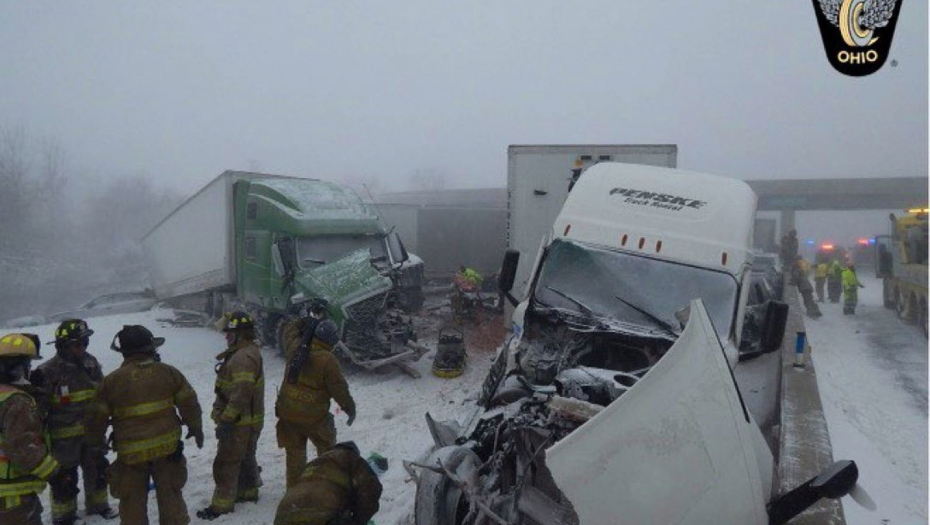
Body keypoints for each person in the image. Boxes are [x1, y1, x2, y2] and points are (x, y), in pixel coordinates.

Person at [86, 325, 204, 525]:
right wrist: (195, 428)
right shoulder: (169, 373)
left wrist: (95, 443)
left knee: (131, 501)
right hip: (167, 451)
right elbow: (189, 403)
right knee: (171, 496)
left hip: (131, 455)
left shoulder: (112, 381)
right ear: (150, 348)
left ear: (123, 352)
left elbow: (96, 418)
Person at [30, 319, 117, 525]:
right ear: (63, 344)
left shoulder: (91, 363)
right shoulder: (47, 371)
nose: (83, 348)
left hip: (93, 433)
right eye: (77, 343)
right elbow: (38, 410)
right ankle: (64, 516)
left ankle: (99, 506)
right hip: (64, 439)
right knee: (65, 479)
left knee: (98, 471)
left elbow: (102, 393)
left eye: (85, 343)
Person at [197, 312, 265, 520]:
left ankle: (221, 506)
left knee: (226, 462)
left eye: (230, 333)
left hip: (238, 422)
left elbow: (241, 393)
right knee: (245, 458)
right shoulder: (246, 352)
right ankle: (247, 492)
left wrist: (226, 420)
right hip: (248, 420)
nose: (226, 337)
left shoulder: (243, 358)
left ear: (241, 334)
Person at [276, 318, 356, 488]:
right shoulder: (327, 360)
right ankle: (324, 488)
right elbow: (339, 389)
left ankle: (294, 493)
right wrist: (350, 408)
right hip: (314, 418)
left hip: (288, 415)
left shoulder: (295, 348)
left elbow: (289, 330)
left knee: (295, 458)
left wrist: (304, 320)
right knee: (327, 451)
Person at [0, 333, 60, 525]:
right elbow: (24, 449)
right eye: (27, 364)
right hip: (11, 494)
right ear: (19, 368)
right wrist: (54, 473)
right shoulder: (17, 402)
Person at [273, 441, 382, 525]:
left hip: (284, 517)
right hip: (322, 518)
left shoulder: (313, 465)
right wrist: (358, 521)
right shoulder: (350, 457)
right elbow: (370, 489)